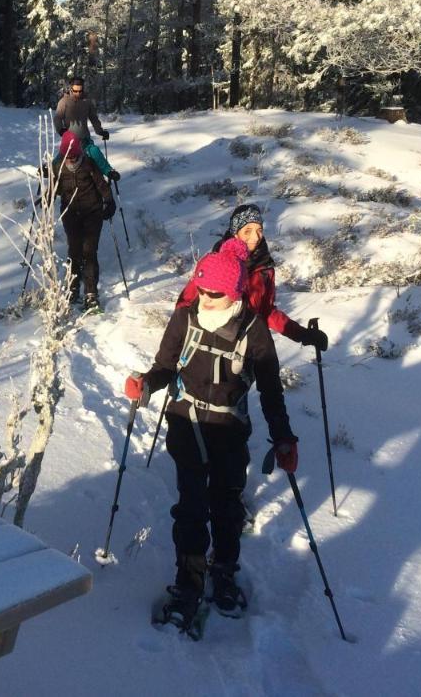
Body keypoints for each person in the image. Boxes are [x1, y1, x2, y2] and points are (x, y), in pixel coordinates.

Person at [125, 237, 297, 625]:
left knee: (226, 507)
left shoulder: (253, 330)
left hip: (229, 430)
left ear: (234, 292)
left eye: (214, 293)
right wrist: (146, 384)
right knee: (190, 509)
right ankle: (188, 582)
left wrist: (283, 437)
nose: (205, 298)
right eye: (201, 289)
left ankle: (223, 573)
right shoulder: (185, 318)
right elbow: (165, 367)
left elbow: (271, 390)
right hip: (186, 427)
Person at [177, 203, 329, 352]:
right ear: (235, 233)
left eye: (259, 230)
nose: (255, 237)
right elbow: (184, 305)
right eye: (247, 231)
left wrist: (301, 334)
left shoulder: (264, 269)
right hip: (208, 345)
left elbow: (266, 312)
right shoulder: (214, 262)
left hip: (245, 348)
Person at [46, 130, 116, 311]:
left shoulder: (88, 164)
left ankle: (91, 293)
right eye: (67, 156)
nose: (71, 160)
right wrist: (47, 197)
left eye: (74, 156)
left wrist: (109, 201)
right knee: (75, 250)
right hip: (71, 213)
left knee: (89, 251)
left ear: (79, 152)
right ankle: (73, 288)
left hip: (92, 211)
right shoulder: (59, 166)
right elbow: (54, 187)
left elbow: (101, 184)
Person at [53, 77, 118, 180]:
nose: (78, 93)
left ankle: (109, 172)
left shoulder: (87, 101)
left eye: (80, 91)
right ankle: (50, 174)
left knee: (95, 151)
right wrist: (61, 130)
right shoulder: (64, 102)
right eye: (75, 91)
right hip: (69, 141)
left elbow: (93, 118)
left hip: (84, 139)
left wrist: (100, 131)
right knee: (59, 160)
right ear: (70, 89)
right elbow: (57, 118)